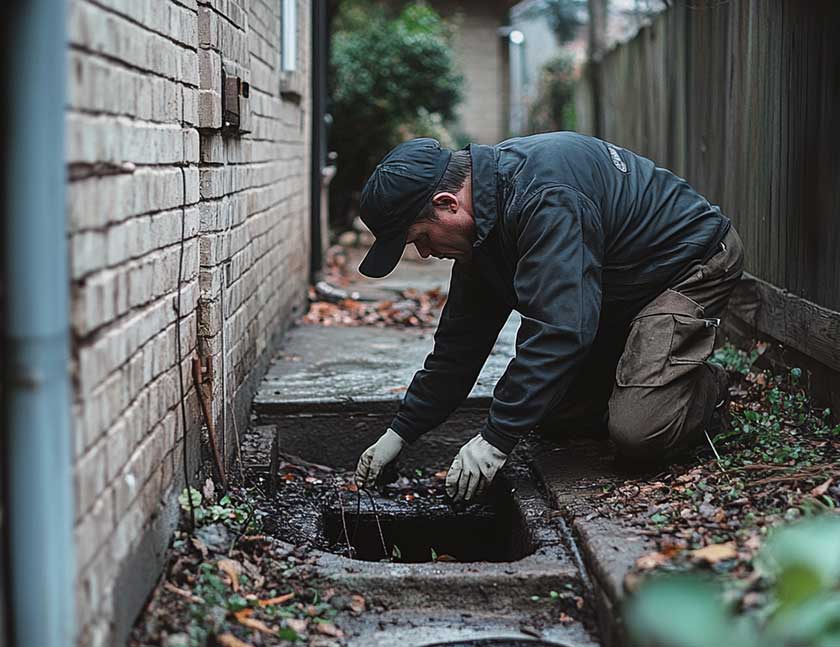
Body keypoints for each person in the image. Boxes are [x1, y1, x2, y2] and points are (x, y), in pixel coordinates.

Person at [352, 133, 744, 502]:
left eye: (420, 238)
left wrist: (494, 440)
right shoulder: (484, 225)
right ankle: (642, 371)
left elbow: (560, 330)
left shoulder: (545, 198)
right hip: (617, 287)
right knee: (554, 414)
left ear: (447, 204)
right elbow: (460, 345)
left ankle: (703, 387)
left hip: (687, 265)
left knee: (638, 432)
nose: (424, 253)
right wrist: (401, 431)